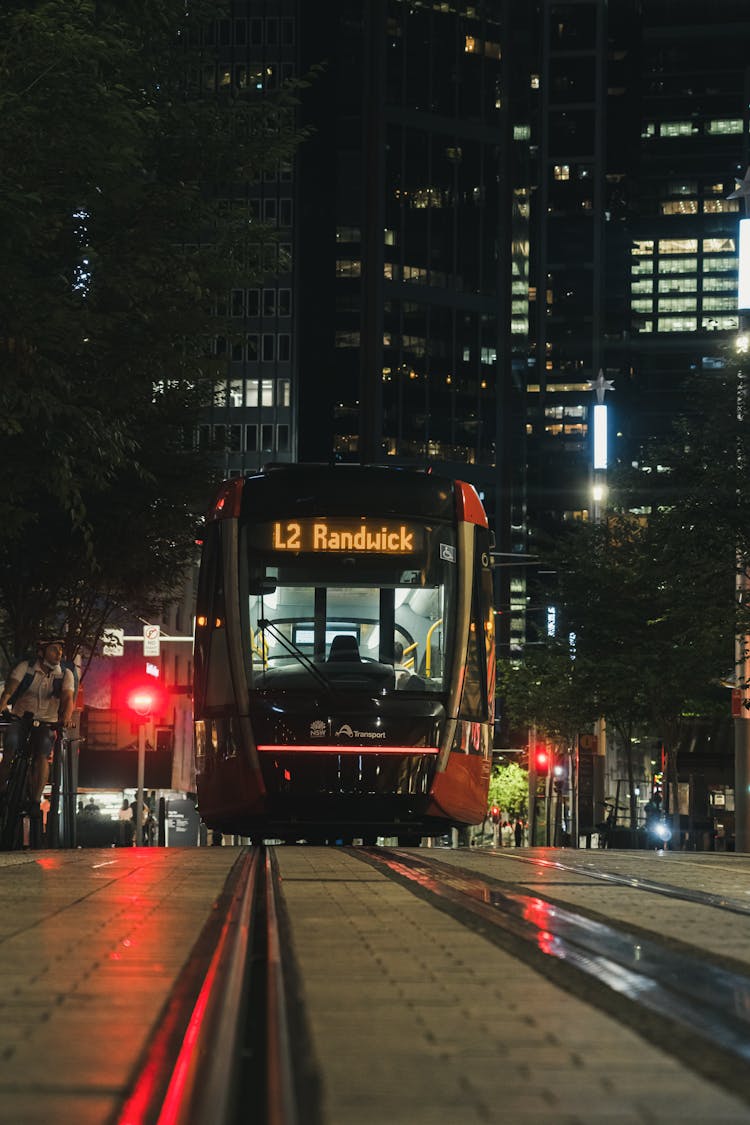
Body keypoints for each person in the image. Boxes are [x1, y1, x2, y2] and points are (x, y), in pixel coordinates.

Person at [0, 639, 76, 808]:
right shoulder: (26, 668)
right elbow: (9, 690)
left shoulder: (65, 674)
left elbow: (68, 697)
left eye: (60, 651)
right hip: (20, 718)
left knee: (42, 754)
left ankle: (35, 799)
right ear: (41, 652)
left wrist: (67, 717)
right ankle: (2, 789)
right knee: (9, 750)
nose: (59, 654)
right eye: (54, 650)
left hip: (47, 722)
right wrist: (2, 705)